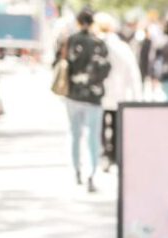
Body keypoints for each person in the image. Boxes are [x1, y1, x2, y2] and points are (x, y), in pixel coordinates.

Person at [63, 8, 111, 192]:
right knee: (93, 137)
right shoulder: (99, 43)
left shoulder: (71, 40)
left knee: (75, 134)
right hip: (93, 96)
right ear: (92, 23)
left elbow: (61, 64)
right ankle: (92, 173)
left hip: (73, 94)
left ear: (78, 22)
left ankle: (77, 170)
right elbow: (106, 69)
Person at [94, 12, 142, 172]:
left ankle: (104, 155)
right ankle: (114, 154)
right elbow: (133, 72)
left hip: (99, 94)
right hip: (118, 93)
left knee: (99, 126)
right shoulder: (121, 46)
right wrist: (136, 96)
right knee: (116, 125)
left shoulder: (95, 44)